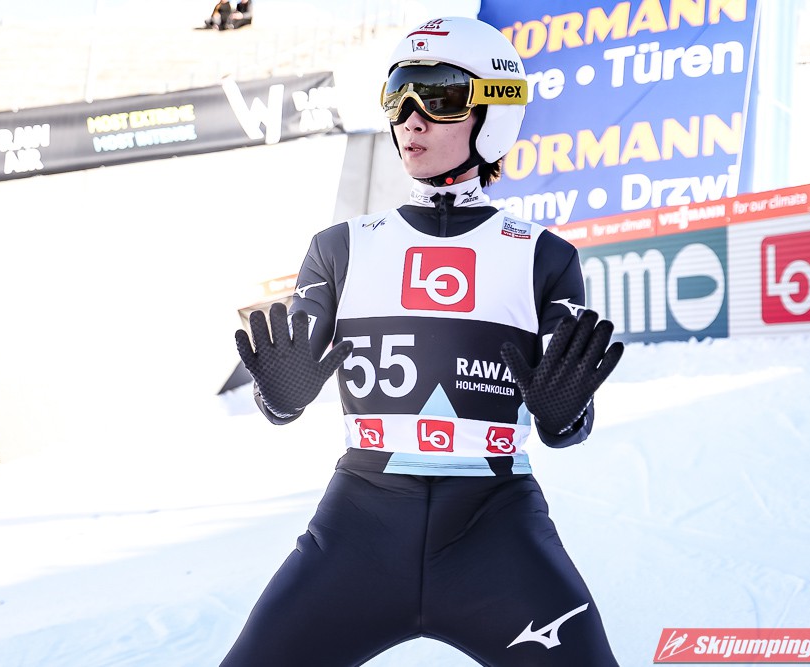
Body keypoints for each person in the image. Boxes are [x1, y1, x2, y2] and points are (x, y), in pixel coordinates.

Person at [226, 16, 624, 667]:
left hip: (496, 529)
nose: (411, 118)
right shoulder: (339, 249)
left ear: (493, 115)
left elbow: (568, 425)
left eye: (439, 96)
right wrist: (281, 396)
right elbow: (283, 395)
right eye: (398, 95)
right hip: (358, 528)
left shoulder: (544, 257)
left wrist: (563, 415)